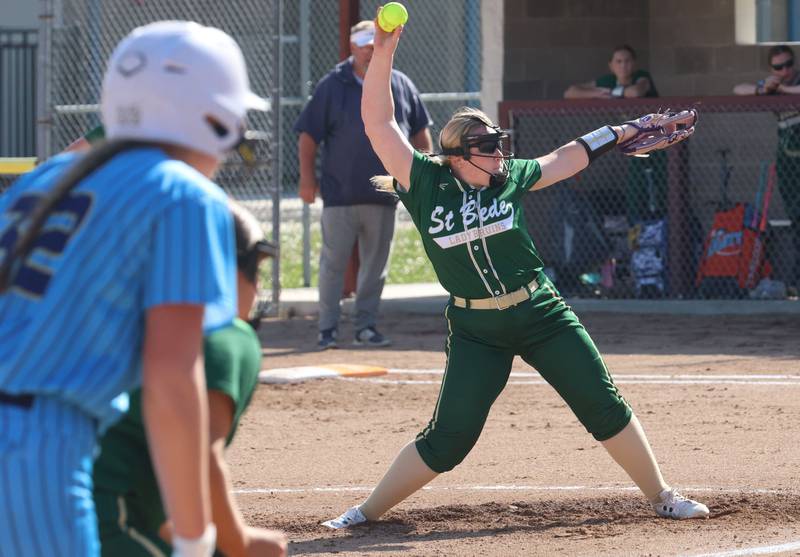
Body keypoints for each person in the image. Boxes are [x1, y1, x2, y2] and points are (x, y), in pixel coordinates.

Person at [322, 12, 708, 530]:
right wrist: (386, 51)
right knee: (449, 438)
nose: (499, 153)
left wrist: (622, 131)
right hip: (476, 330)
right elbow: (378, 124)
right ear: (458, 155)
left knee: (602, 402)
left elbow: (564, 158)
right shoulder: (424, 181)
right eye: (487, 147)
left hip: (540, 311)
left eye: (499, 144)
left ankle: (661, 495)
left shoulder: (509, 177)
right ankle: (364, 512)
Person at [0, 21, 270, 556]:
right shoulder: (182, 193)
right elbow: (172, 374)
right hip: (35, 447)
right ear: (212, 118)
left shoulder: (44, 177)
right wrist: (195, 539)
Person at [93, 201, 286, 557]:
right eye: (252, 271)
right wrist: (240, 543)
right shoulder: (226, 337)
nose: (257, 288)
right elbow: (202, 458)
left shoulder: (127, 315)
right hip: (103, 512)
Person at [294, 19, 433, 350]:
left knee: (375, 267)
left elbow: (419, 132)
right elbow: (308, 135)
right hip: (340, 194)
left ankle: (365, 327)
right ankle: (327, 329)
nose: (372, 51)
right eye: (365, 45)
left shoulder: (399, 83)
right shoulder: (332, 85)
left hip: (385, 193)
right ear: (353, 47)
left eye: (376, 45)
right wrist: (306, 178)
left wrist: (423, 177)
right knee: (332, 264)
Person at [734, 44, 800, 295]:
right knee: (796, 219)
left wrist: (782, 89)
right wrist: (764, 88)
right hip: (788, 161)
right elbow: (738, 89)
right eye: (778, 67)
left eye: (788, 64)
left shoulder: (793, 83)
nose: (785, 70)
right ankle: (796, 281)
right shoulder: (773, 84)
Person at [564, 44, 658, 99]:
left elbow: (635, 92)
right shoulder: (609, 80)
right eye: (618, 61)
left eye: (627, 61)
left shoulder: (641, 75)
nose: (623, 65)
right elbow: (570, 92)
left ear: (634, 63)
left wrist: (611, 93)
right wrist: (597, 93)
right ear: (611, 65)